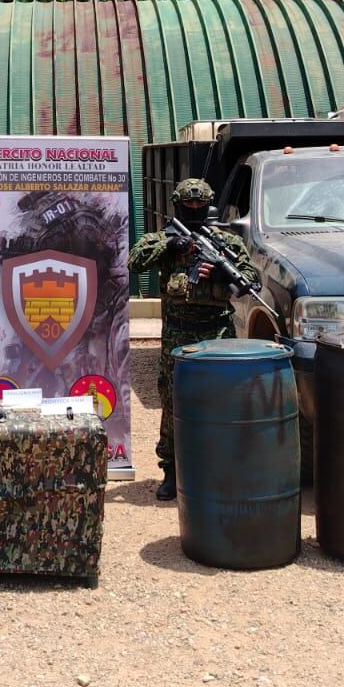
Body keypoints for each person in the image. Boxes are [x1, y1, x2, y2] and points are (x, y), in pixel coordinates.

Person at [127, 178, 259, 501]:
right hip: (178, 334)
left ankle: (219, 470)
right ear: (178, 207)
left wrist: (220, 275)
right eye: (190, 207)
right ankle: (172, 472)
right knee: (173, 403)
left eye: (201, 207)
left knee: (220, 403)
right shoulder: (166, 239)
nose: (196, 211)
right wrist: (167, 247)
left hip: (218, 333)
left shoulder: (225, 243)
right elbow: (134, 260)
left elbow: (251, 280)